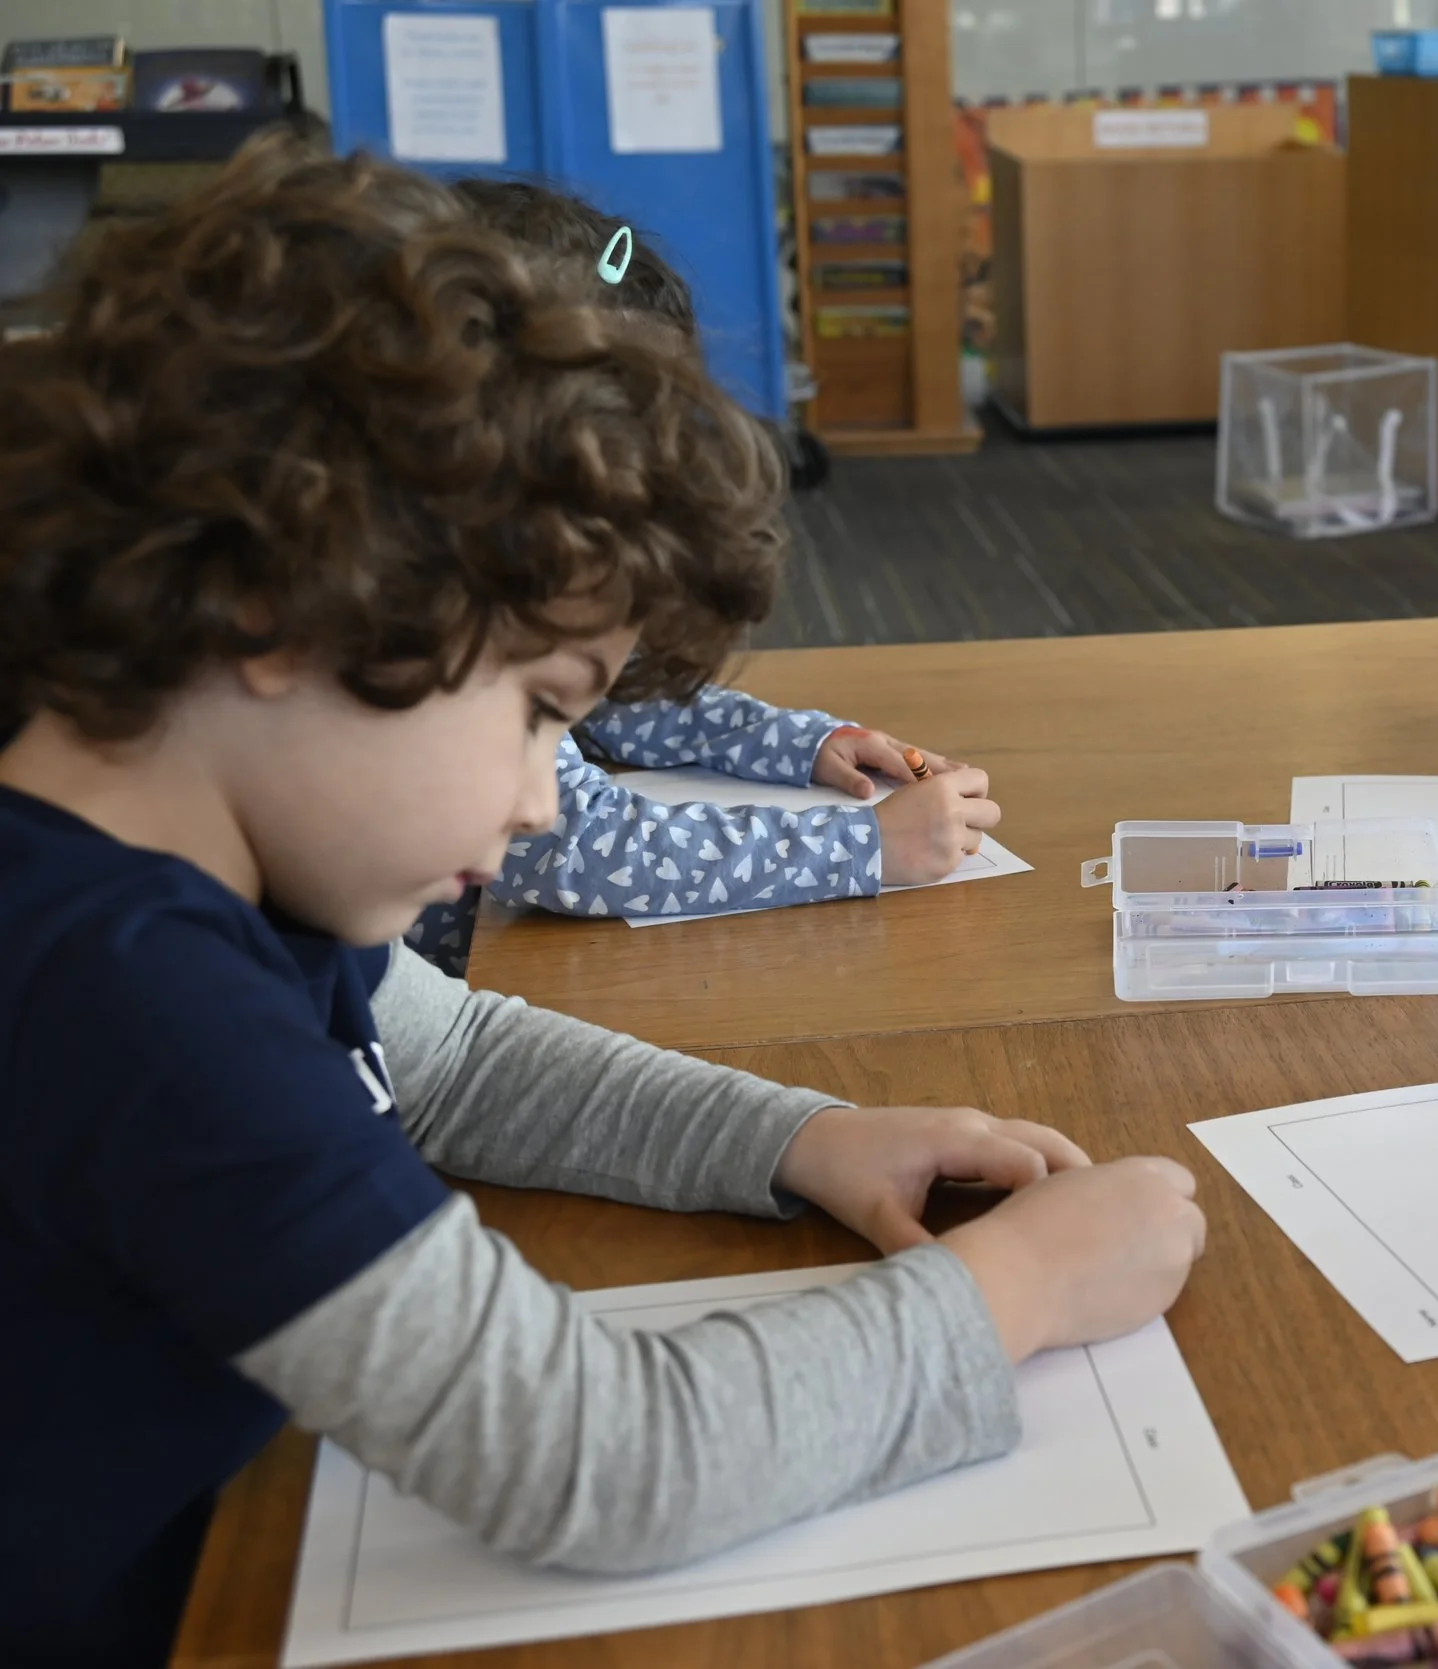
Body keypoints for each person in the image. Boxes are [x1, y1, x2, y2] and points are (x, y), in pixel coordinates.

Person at [0, 136, 1204, 1666]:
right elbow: (606, 1456)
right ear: (277, 608)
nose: (539, 800)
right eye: (536, 710)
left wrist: (799, 1138)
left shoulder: (198, 870)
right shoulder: (130, 996)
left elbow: (454, 1056)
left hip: (246, 1522)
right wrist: (1017, 1288)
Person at [403, 179, 996, 975]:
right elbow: (570, 848)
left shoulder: (534, 562)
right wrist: (862, 845)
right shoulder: (443, 601)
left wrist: (804, 743)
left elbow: (617, 701)